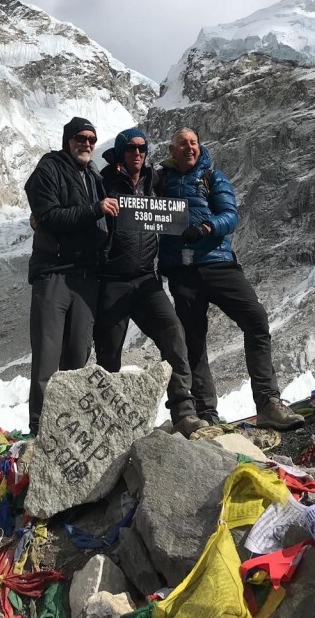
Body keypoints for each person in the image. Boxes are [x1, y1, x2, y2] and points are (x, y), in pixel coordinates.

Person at [157, 128, 304, 430]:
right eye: (182, 144)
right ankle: (206, 416)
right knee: (194, 342)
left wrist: (207, 227)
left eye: (193, 143)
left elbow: (230, 215)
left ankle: (267, 403)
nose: (189, 148)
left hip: (218, 264)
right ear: (172, 151)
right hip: (183, 273)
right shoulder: (160, 182)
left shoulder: (213, 177)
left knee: (256, 319)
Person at [94, 128, 206, 438]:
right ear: (120, 153)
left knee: (174, 334)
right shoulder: (102, 184)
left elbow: (188, 177)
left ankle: (184, 411)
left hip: (146, 280)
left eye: (143, 148)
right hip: (111, 281)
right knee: (108, 355)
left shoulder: (155, 181)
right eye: (131, 148)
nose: (138, 153)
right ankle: (109, 426)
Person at [24, 117, 119, 436]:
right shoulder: (50, 169)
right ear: (68, 140)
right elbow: (48, 216)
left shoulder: (93, 176)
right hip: (54, 273)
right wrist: (94, 210)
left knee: (79, 355)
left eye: (92, 139)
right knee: (47, 358)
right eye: (81, 138)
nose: (88, 144)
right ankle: (40, 429)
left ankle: (66, 428)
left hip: (86, 278)